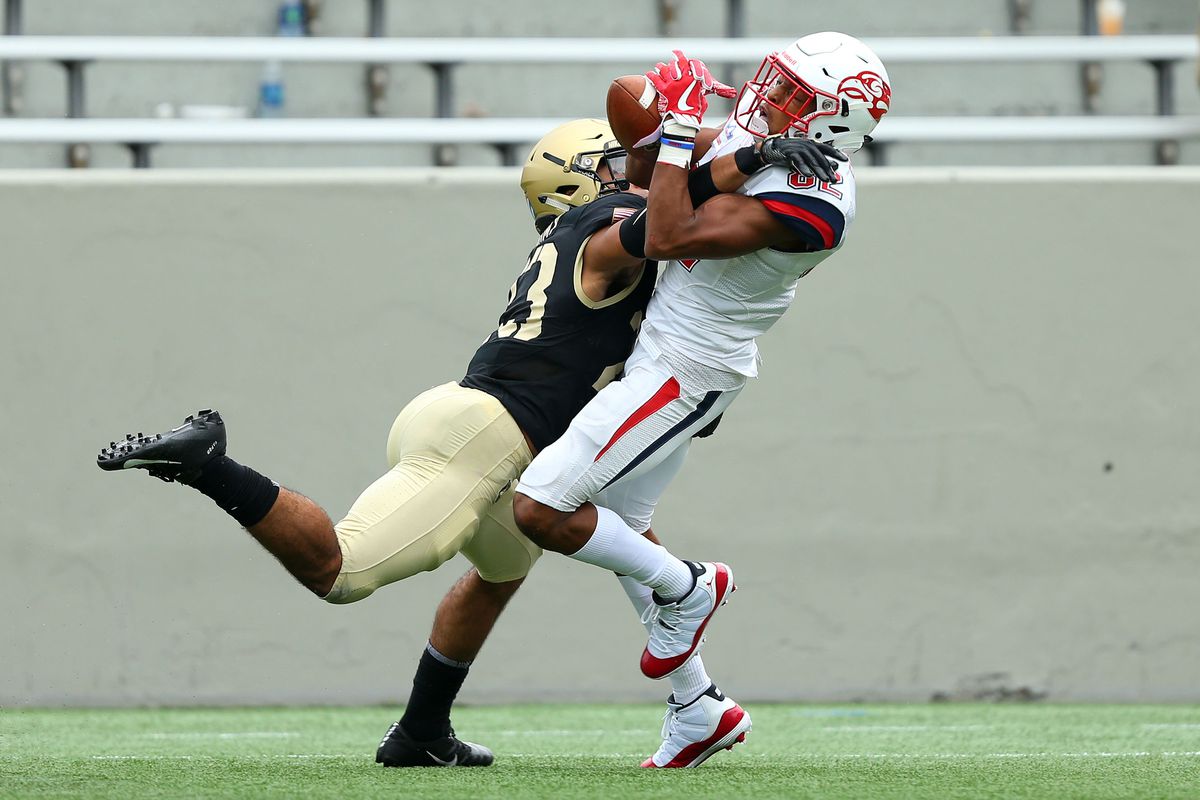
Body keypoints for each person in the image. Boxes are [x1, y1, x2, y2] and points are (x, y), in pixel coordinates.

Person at [95, 117, 843, 767]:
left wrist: (756, 152)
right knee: (342, 570)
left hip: (484, 427)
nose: (638, 170)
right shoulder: (608, 226)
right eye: (617, 163)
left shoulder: (582, 229)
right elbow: (675, 222)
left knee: (501, 568)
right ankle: (210, 464)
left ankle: (422, 730)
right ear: (590, 181)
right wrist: (749, 158)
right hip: (486, 435)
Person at [510, 33, 891, 768]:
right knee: (620, 526)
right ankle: (698, 707)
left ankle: (692, 587)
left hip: (683, 371)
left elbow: (666, 229)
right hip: (666, 355)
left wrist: (685, 131)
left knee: (540, 508)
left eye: (792, 98)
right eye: (776, 83)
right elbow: (662, 173)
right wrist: (686, 138)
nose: (766, 101)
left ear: (832, 124)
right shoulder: (779, 137)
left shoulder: (813, 207)